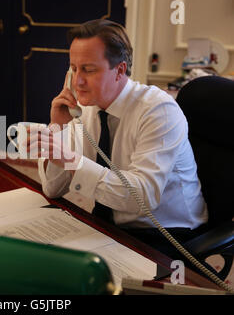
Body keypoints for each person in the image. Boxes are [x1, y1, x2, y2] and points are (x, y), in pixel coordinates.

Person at [31, 19, 209, 259]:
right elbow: (53, 188)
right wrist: (59, 127)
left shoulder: (158, 111)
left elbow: (143, 198)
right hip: (110, 226)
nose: (77, 81)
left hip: (166, 233)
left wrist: (72, 161)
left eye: (89, 70)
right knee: (40, 257)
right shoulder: (85, 106)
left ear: (120, 70)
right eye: (74, 68)